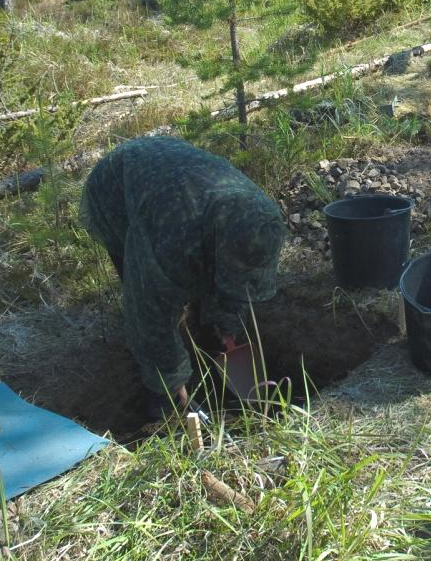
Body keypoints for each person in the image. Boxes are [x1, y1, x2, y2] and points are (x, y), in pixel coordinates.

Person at [80, 135, 285, 420]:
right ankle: (160, 400)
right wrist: (170, 379)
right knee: (153, 300)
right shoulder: (170, 242)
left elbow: (238, 280)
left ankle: (206, 339)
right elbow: (148, 308)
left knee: (213, 284)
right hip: (117, 187)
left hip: (181, 184)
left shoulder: (260, 217)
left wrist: (227, 329)